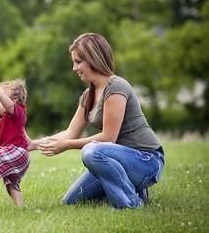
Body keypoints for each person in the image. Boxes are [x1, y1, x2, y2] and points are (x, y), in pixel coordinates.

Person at [30, 32, 165, 209]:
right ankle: (132, 189)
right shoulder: (88, 95)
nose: (74, 68)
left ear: (93, 58)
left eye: (78, 62)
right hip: (116, 163)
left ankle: (131, 203)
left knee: (91, 152)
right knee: (71, 202)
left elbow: (108, 138)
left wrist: (67, 145)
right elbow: (70, 133)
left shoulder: (116, 87)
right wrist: (33, 144)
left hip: (146, 160)